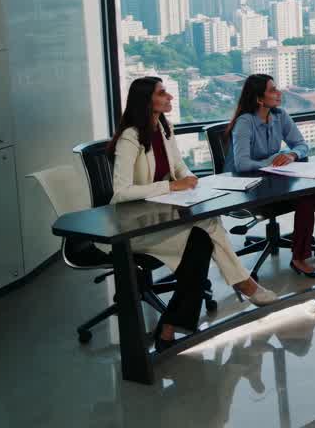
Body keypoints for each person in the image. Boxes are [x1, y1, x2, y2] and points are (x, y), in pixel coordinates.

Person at [107, 77, 277, 350]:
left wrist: (190, 180)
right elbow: (120, 192)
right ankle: (244, 283)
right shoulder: (130, 137)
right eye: (163, 94)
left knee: (202, 239)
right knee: (207, 228)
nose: (170, 98)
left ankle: (170, 324)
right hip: (135, 226)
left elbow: (179, 166)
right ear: (146, 101)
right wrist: (171, 185)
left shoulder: (163, 127)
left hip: (162, 214)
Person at [227, 74, 315, 278]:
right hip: (248, 188)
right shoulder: (245, 123)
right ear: (258, 98)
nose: (278, 93)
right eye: (272, 90)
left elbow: (302, 145)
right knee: (307, 195)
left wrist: (291, 154)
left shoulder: (280, 116)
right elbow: (242, 164)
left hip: (275, 180)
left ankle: (299, 259)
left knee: (307, 195)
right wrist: (272, 160)